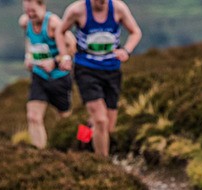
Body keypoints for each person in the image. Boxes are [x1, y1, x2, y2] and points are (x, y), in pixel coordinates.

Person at [56, 0, 142, 157]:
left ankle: (83, 138)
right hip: (86, 70)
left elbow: (135, 32)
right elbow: (60, 31)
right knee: (101, 120)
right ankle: (102, 164)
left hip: (112, 70)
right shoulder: (77, 10)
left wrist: (126, 50)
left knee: (108, 127)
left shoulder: (118, 8)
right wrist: (65, 56)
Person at [19, 0, 76, 149]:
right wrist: (28, 56)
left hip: (59, 78)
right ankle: (39, 153)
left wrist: (55, 61)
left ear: (42, 6)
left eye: (33, 11)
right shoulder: (25, 22)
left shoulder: (53, 24)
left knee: (65, 119)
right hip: (39, 76)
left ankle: (73, 150)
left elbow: (72, 45)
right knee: (33, 116)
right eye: (27, 11)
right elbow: (29, 39)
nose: (30, 14)